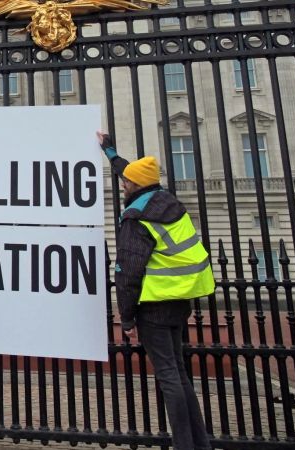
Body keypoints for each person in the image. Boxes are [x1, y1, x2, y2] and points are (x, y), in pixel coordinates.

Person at [98, 131, 215, 450]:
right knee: (178, 373)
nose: (123, 184)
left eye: (126, 182)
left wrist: (127, 317)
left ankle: (184, 445)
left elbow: (128, 272)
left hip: (154, 305)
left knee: (169, 378)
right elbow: (132, 172)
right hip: (180, 300)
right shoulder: (167, 202)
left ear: (135, 186)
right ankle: (199, 443)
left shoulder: (137, 216)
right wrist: (110, 151)